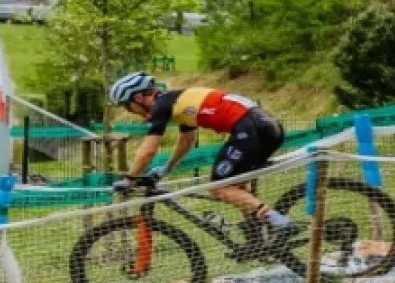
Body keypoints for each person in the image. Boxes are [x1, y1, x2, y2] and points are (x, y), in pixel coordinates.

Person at [108, 71, 297, 250]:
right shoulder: (177, 101)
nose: (130, 111)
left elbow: (148, 150)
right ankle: (258, 242)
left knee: (219, 187)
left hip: (250, 130)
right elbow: (187, 141)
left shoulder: (161, 106)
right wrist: (166, 169)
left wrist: (130, 178)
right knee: (237, 188)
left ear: (138, 98)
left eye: (127, 105)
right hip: (268, 128)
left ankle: (281, 222)